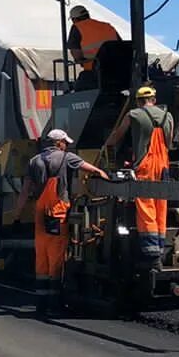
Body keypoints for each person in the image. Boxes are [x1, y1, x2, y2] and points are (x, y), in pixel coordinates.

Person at [11, 128, 107, 311]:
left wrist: (17, 216)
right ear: (58, 143)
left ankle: (41, 301)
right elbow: (88, 168)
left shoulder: (33, 161)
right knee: (55, 256)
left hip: (40, 211)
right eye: (65, 142)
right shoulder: (66, 157)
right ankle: (54, 302)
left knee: (41, 255)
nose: (67, 145)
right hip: (58, 211)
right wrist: (102, 174)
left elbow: (24, 192)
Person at [104, 84, 174, 260]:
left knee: (146, 203)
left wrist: (106, 146)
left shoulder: (133, 114)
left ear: (137, 101)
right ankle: (160, 242)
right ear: (154, 100)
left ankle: (150, 248)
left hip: (145, 164)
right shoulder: (168, 116)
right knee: (161, 203)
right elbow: (170, 141)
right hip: (164, 165)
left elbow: (117, 135)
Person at [66, 6, 120, 90]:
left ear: (75, 20)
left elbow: (76, 54)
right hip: (118, 72)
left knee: (79, 86)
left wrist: (81, 61)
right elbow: (121, 47)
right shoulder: (108, 27)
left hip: (94, 73)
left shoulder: (77, 27)